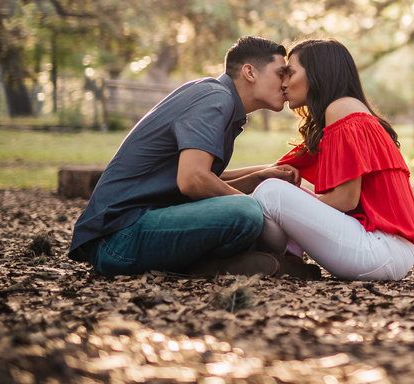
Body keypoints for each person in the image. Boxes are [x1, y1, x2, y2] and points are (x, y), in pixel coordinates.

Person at [68, 36, 301, 277]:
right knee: (246, 214)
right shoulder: (215, 98)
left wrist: (259, 175)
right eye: (280, 73)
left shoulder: (218, 98)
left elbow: (201, 178)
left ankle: (221, 264)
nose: (286, 84)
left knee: (244, 214)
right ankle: (218, 264)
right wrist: (259, 212)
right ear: (250, 73)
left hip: (136, 229)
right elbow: (193, 180)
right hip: (119, 237)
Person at [253, 38, 414, 281]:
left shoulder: (341, 110)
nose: (283, 84)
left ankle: (275, 259)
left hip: (379, 249)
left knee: (270, 192)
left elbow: (345, 199)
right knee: (274, 188)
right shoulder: (345, 112)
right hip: (390, 252)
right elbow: (275, 170)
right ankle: (287, 261)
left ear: (317, 74)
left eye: (289, 73)